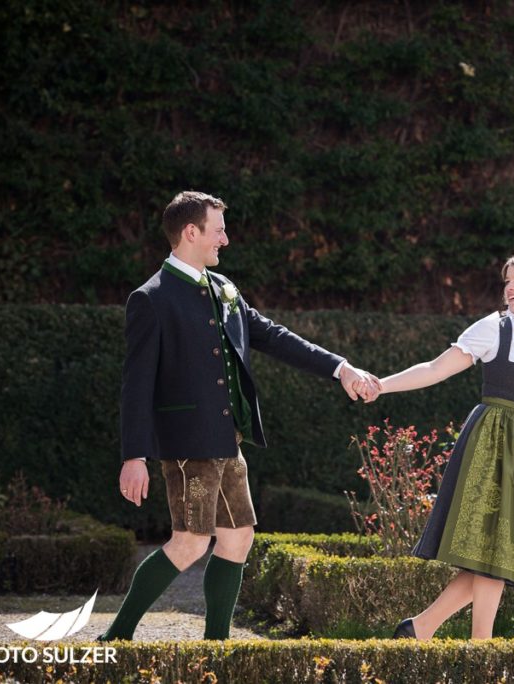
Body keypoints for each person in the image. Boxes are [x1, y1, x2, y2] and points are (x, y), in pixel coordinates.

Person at [99, 190, 379, 641]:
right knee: (190, 543)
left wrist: (339, 367)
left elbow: (273, 335)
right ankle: (116, 635)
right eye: (218, 230)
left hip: (229, 441)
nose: (224, 240)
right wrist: (135, 455)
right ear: (191, 232)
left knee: (238, 538)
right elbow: (136, 386)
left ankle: (216, 644)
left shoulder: (225, 288)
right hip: (188, 444)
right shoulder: (151, 298)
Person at [372, 250, 514, 640]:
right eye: (507, 281)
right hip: (492, 443)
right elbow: (436, 368)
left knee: (501, 551)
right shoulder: (494, 329)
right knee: (491, 552)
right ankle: (480, 649)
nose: (510, 288)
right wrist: (382, 385)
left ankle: (420, 627)